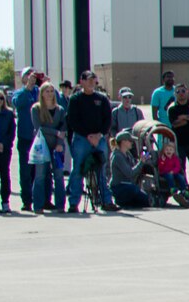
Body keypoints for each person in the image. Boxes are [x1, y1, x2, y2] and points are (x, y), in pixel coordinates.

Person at [64, 71, 117, 214]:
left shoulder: (102, 99)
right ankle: (74, 203)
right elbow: (73, 121)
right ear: (81, 81)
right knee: (78, 170)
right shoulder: (75, 99)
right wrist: (88, 136)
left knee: (102, 169)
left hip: (99, 139)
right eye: (88, 79)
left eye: (94, 80)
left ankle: (106, 201)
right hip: (82, 139)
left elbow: (108, 119)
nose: (91, 82)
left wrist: (99, 135)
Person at [26, 82, 67, 214]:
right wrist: (55, 132)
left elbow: (63, 128)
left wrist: (60, 142)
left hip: (57, 147)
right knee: (40, 176)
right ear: (41, 93)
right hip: (41, 146)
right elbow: (39, 128)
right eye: (47, 91)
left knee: (59, 176)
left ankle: (60, 205)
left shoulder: (60, 109)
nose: (49, 94)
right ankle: (38, 205)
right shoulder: (36, 109)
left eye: (51, 91)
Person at [11, 69, 40, 208]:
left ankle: (40, 198)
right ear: (23, 79)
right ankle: (27, 200)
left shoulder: (40, 92)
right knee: (26, 170)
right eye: (29, 76)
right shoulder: (20, 92)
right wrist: (28, 88)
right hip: (25, 137)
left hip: (40, 137)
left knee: (40, 170)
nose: (32, 79)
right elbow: (17, 103)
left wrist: (46, 84)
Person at [108, 131, 155, 210]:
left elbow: (134, 168)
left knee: (145, 200)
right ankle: (122, 201)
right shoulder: (117, 156)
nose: (132, 143)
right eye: (130, 141)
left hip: (129, 185)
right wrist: (141, 163)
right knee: (134, 190)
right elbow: (130, 173)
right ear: (123, 142)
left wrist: (142, 161)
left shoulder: (128, 154)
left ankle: (130, 202)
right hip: (119, 187)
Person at [168, 84, 189, 163]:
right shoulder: (172, 109)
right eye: (178, 91)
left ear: (187, 92)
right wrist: (188, 119)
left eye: (183, 91)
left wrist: (182, 117)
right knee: (181, 168)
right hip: (178, 143)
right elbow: (174, 124)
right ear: (175, 94)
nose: (181, 93)